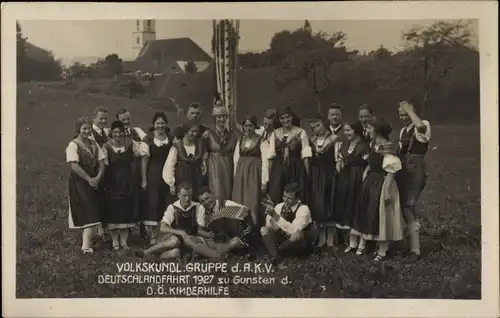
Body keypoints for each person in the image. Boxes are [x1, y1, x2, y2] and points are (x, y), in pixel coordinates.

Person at [135, 183, 244, 259]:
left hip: (191, 239)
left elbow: (199, 227)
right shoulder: (173, 207)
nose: (187, 199)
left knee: (175, 253)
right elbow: (163, 228)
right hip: (172, 237)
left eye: (190, 195)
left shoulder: (197, 206)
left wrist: (207, 234)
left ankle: (157, 255)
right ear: (178, 195)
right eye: (184, 196)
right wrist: (181, 233)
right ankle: (146, 252)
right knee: (174, 241)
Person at [349, 117, 405, 262]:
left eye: (369, 129)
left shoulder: (388, 147)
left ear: (378, 131)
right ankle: (368, 243)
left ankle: (383, 250)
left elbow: (391, 172)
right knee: (369, 212)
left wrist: (386, 191)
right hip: (371, 183)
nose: (367, 131)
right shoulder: (374, 144)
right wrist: (367, 170)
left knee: (382, 216)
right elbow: (373, 162)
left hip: (384, 183)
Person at [101, 120, 148, 251]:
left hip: (128, 181)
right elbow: (102, 163)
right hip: (112, 182)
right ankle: (115, 242)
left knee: (126, 210)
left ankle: (124, 242)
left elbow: (143, 154)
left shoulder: (131, 143)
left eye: (120, 132)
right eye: (115, 132)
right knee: (114, 211)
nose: (117, 135)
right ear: (111, 133)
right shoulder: (106, 147)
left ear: (123, 133)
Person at [395, 101, 431, 261]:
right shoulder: (403, 131)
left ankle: (415, 251)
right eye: (401, 115)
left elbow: (420, 126)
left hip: (415, 170)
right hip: (403, 170)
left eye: (406, 114)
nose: (404, 118)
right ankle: (412, 246)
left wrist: (410, 110)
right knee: (405, 208)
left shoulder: (423, 125)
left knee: (409, 206)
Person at [66, 117, 107, 255]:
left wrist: (98, 177)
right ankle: (85, 246)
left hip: (94, 181)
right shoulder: (74, 145)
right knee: (88, 210)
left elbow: (101, 162)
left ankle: (92, 240)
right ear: (78, 129)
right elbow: (74, 166)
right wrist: (89, 179)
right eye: (84, 128)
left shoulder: (94, 144)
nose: (87, 131)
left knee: (94, 210)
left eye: (89, 128)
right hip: (80, 182)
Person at [333, 121, 370, 250]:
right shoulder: (345, 144)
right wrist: (339, 163)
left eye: (349, 130)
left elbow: (369, 163)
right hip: (346, 178)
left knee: (358, 208)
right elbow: (340, 158)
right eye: (345, 130)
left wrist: (365, 174)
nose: (346, 133)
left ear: (357, 130)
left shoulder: (363, 146)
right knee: (348, 207)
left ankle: (362, 243)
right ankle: (352, 242)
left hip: (358, 178)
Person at [260, 183, 315, 265]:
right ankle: (276, 257)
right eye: (284, 196)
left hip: (298, 244)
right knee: (264, 229)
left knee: (297, 234)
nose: (285, 200)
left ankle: (276, 250)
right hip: (282, 239)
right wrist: (271, 218)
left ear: (297, 199)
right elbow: (269, 226)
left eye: (289, 198)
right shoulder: (279, 206)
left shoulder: (303, 209)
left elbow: (293, 230)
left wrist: (275, 216)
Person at [140, 112, 173, 246]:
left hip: (168, 174)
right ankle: (153, 236)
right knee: (153, 202)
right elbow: (144, 161)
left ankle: (164, 234)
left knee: (165, 203)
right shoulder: (148, 140)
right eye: (157, 123)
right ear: (153, 125)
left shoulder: (171, 139)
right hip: (153, 174)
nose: (160, 126)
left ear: (166, 124)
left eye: (162, 123)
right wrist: (144, 180)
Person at [267, 106, 311, 204]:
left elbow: (305, 156)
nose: (285, 120)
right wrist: (271, 174)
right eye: (282, 118)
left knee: (294, 195)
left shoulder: (301, 132)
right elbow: (271, 156)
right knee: (278, 194)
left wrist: (306, 174)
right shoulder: (275, 134)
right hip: (278, 169)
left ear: (292, 117)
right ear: (279, 120)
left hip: (295, 168)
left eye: (287, 117)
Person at [307, 114, 340, 248]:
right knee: (318, 204)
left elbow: (338, 158)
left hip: (329, 173)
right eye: (313, 127)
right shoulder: (311, 140)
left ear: (324, 124)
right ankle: (321, 237)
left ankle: (331, 238)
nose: (316, 129)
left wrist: (337, 174)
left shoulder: (334, 139)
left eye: (318, 125)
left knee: (329, 202)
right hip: (316, 175)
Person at [232, 116, 270, 226]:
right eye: (246, 126)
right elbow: (236, 160)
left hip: (254, 175)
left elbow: (265, 162)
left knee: (252, 203)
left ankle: (253, 231)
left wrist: (264, 181)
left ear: (254, 126)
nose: (248, 128)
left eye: (250, 126)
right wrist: (236, 177)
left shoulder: (261, 141)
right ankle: (239, 230)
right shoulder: (240, 140)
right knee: (239, 203)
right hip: (241, 175)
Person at [116, 108, 148, 239]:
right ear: (118, 120)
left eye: (128, 119)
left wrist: (139, 145)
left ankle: (142, 229)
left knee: (139, 197)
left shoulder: (136, 130)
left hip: (136, 167)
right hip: (124, 168)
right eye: (123, 119)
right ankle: (126, 229)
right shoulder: (116, 133)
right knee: (126, 198)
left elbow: (147, 140)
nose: (126, 122)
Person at [163, 120, 208, 200]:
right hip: (181, 180)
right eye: (192, 131)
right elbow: (169, 166)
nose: (194, 134)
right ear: (186, 131)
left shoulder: (200, 145)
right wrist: (171, 184)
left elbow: (204, 163)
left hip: (196, 181)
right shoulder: (177, 146)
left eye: (196, 131)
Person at [202, 106, 239, 201]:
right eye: (218, 117)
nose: (221, 119)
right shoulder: (208, 134)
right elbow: (203, 151)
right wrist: (204, 165)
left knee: (228, 191)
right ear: (214, 118)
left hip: (228, 165)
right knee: (216, 191)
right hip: (214, 166)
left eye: (223, 116)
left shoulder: (232, 135)